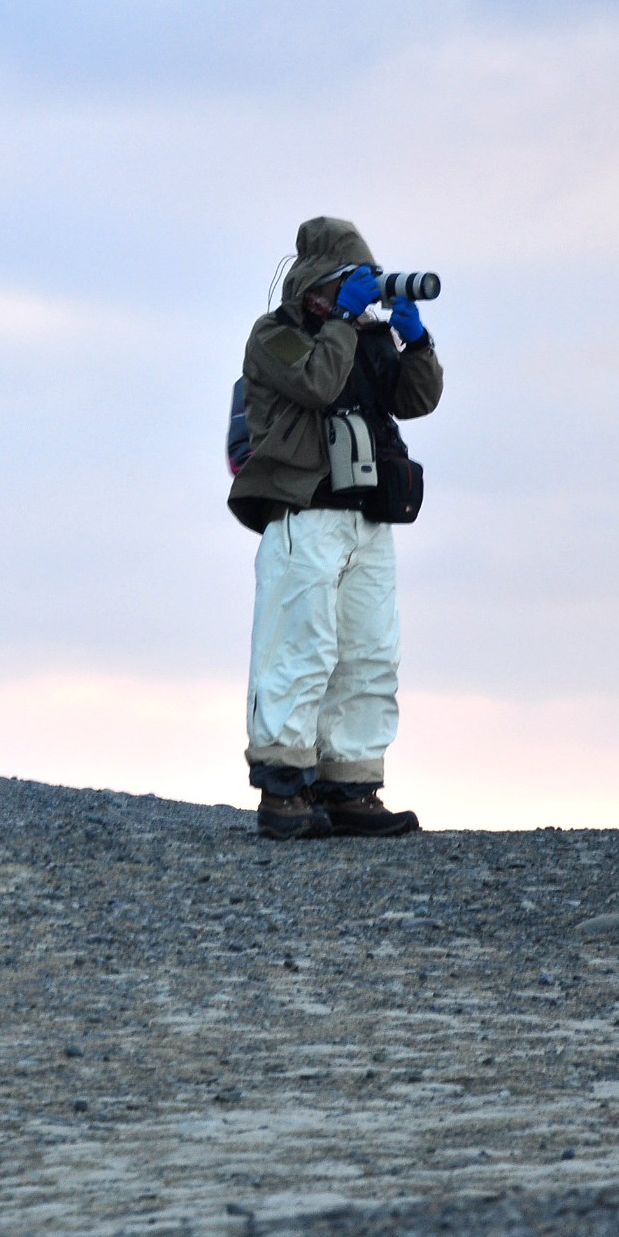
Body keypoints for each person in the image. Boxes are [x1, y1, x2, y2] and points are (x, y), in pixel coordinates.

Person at [228, 216, 443, 839]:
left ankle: (349, 786)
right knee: (298, 648)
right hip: (304, 512)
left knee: (369, 653)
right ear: (313, 285)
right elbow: (318, 384)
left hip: (366, 516)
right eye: (348, 282)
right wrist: (343, 324)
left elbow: (416, 400)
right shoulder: (275, 336)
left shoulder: (363, 338)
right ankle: (283, 789)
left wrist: (416, 343)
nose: (360, 293)